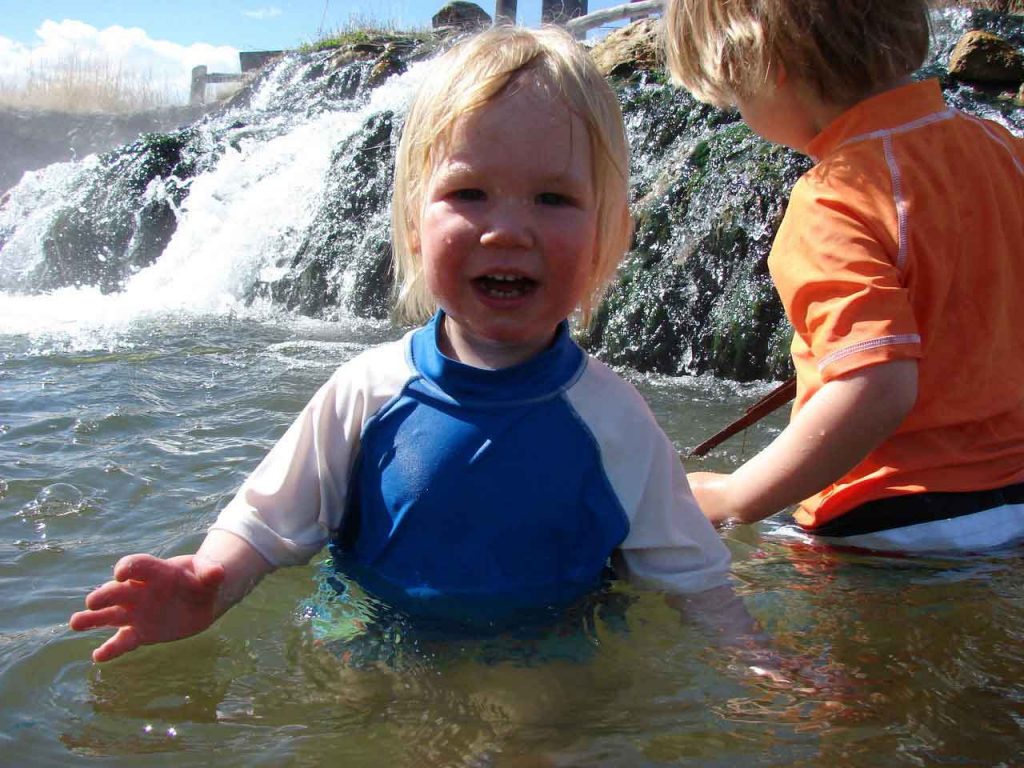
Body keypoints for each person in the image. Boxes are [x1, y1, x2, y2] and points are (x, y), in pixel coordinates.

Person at [70, 25, 733, 664]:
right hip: (369, 654)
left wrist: (762, 667)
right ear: (415, 224)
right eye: (469, 193)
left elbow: (694, 578)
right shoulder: (366, 391)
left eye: (553, 199)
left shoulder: (618, 421)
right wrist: (206, 584)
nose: (506, 230)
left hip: (546, 681)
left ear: (608, 234)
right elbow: (266, 522)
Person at [663, 0, 1024, 552]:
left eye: (735, 94)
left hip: (884, 520)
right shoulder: (1007, 151)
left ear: (768, 66)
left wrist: (738, 496)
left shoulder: (836, 197)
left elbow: (876, 387)